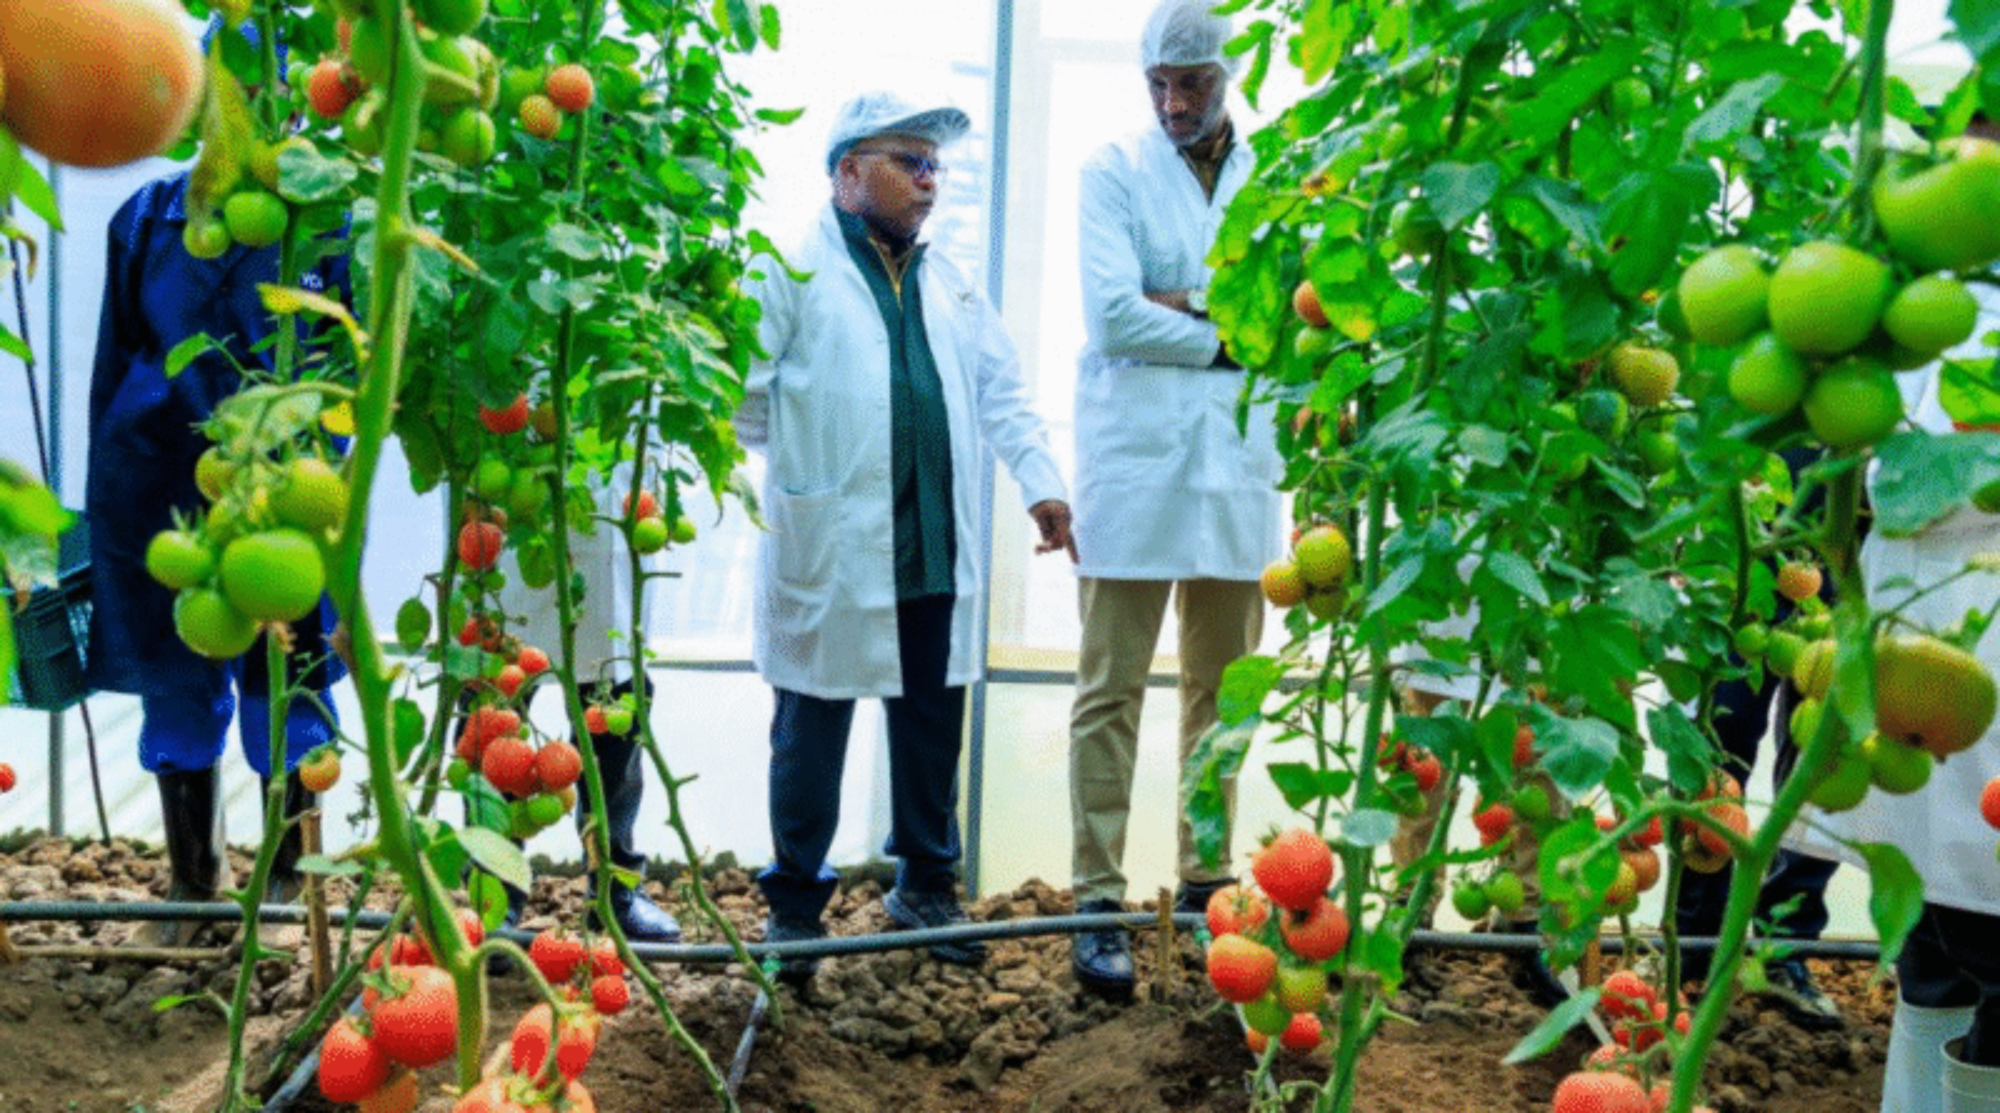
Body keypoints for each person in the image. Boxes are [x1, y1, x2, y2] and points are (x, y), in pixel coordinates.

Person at [735, 90, 1075, 985]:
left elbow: (1002, 392)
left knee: (932, 720)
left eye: (935, 166)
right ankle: (795, 907)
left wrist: (1041, 483)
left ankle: (926, 883)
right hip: (836, 541)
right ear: (849, 171)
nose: (930, 181)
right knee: (811, 727)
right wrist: (818, 461)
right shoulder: (790, 266)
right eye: (908, 162)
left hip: (930, 541)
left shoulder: (949, 280)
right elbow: (743, 392)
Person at [1065, 0, 1283, 997]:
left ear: (1226, 78)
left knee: (1220, 697)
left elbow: (1289, 309)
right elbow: (1112, 315)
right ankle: (1095, 902)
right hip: (1134, 466)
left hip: (1234, 467)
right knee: (1107, 690)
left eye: (1189, 83)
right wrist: (1228, 327)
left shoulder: (1273, 175)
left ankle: (1205, 887)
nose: (1170, 102)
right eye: (1156, 83)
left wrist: (1180, 308)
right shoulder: (1110, 170)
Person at [85, 163, 348, 947]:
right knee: (174, 672)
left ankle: (288, 881)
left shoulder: (323, 215)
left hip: (281, 488)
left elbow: (346, 364)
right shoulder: (149, 216)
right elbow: (118, 350)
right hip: (162, 476)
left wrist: (314, 458)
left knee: (289, 671)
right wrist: (112, 481)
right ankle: (193, 880)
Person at [490, 487, 682, 942]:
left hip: (604, 519)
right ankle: (493, 895)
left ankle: (614, 892)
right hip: (507, 504)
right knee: (495, 715)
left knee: (615, 709)